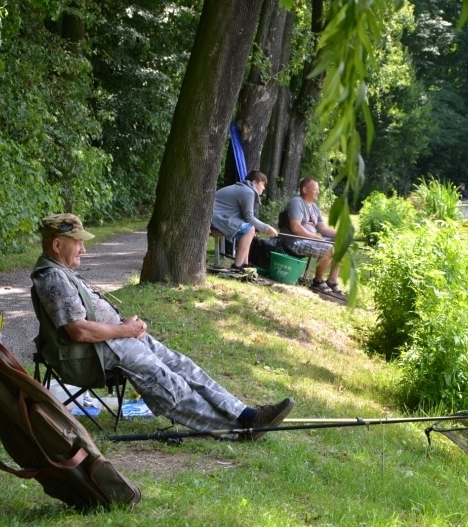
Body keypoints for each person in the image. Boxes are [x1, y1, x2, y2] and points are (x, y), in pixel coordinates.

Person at [30, 213, 294, 439]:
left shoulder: (62, 272)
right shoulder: (53, 278)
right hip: (89, 354)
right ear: (57, 245)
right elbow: (79, 331)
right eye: (77, 243)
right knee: (165, 380)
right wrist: (125, 330)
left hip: (111, 341)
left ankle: (246, 414)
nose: (84, 250)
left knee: (182, 365)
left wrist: (125, 325)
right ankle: (235, 429)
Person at [281, 177, 344, 295]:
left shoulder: (314, 207)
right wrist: (314, 237)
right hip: (295, 241)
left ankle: (332, 281)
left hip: (308, 240)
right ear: (305, 189)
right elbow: (295, 227)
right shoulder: (297, 202)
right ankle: (318, 281)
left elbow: (322, 228)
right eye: (315, 189)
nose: (318, 192)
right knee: (329, 248)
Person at [211, 170, 278, 271]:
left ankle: (244, 265)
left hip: (216, 217)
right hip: (215, 219)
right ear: (254, 182)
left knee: (249, 228)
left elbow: (245, 218)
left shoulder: (243, 188)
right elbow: (249, 218)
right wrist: (266, 228)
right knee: (250, 229)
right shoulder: (248, 191)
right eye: (263, 184)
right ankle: (237, 267)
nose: (264, 188)